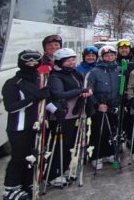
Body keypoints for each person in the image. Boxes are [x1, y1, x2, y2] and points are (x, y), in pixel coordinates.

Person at [2, 50, 50, 200]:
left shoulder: (39, 80)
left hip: (36, 125)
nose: (31, 62)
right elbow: (10, 106)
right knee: (19, 157)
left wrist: (56, 109)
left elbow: (43, 101)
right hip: (19, 127)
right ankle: (11, 188)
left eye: (35, 60)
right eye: (27, 60)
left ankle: (27, 183)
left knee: (33, 156)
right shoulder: (13, 83)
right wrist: (33, 97)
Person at [47, 48, 91, 187]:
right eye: (68, 60)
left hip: (75, 113)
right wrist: (80, 91)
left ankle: (64, 168)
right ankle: (54, 174)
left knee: (70, 145)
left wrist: (86, 92)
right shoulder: (56, 76)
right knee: (61, 145)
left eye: (73, 59)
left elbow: (84, 85)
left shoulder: (75, 73)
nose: (71, 63)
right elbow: (59, 94)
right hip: (62, 115)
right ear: (60, 62)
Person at [87, 45, 122, 170]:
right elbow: (89, 90)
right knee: (99, 132)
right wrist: (97, 104)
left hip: (114, 105)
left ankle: (109, 153)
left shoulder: (119, 69)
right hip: (100, 105)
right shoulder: (95, 71)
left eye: (112, 55)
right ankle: (97, 156)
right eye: (107, 56)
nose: (110, 57)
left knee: (111, 131)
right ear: (102, 57)